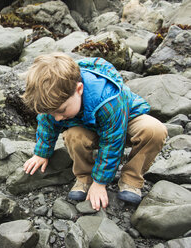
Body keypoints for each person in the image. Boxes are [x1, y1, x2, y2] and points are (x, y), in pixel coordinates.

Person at [22, 53, 167, 211]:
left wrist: (101, 183)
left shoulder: (107, 99)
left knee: (154, 130)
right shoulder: (55, 100)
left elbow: (112, 142)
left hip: (123, 122)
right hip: (90, 126)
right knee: (73, 136)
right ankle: (85, 177)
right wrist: (42, 152)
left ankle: (131, 179)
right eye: (52, 113)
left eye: (61, 111)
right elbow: (47, 123)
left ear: (79, 89)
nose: (57, 118)